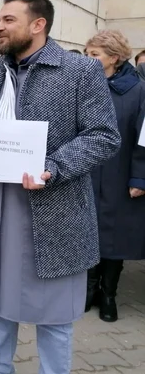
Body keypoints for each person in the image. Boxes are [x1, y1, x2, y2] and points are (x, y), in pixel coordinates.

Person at [0, 0, 121, 374]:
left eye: (8, 20)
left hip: (55, 209)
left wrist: (55, 167)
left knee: (53, 315)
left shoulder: (80, 71)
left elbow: (104, 136)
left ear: (38, 25)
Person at [85, 30, 145, 323]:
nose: (88, 59)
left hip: (120, 173)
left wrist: (140, 178)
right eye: (87, 53)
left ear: (115, 58)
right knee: (88, 230)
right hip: (87, 172)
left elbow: (144, 139)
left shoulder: (138, 90)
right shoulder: (83, 86)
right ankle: (88, 287)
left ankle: (108, 294)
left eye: (94, 55)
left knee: (114, 235)